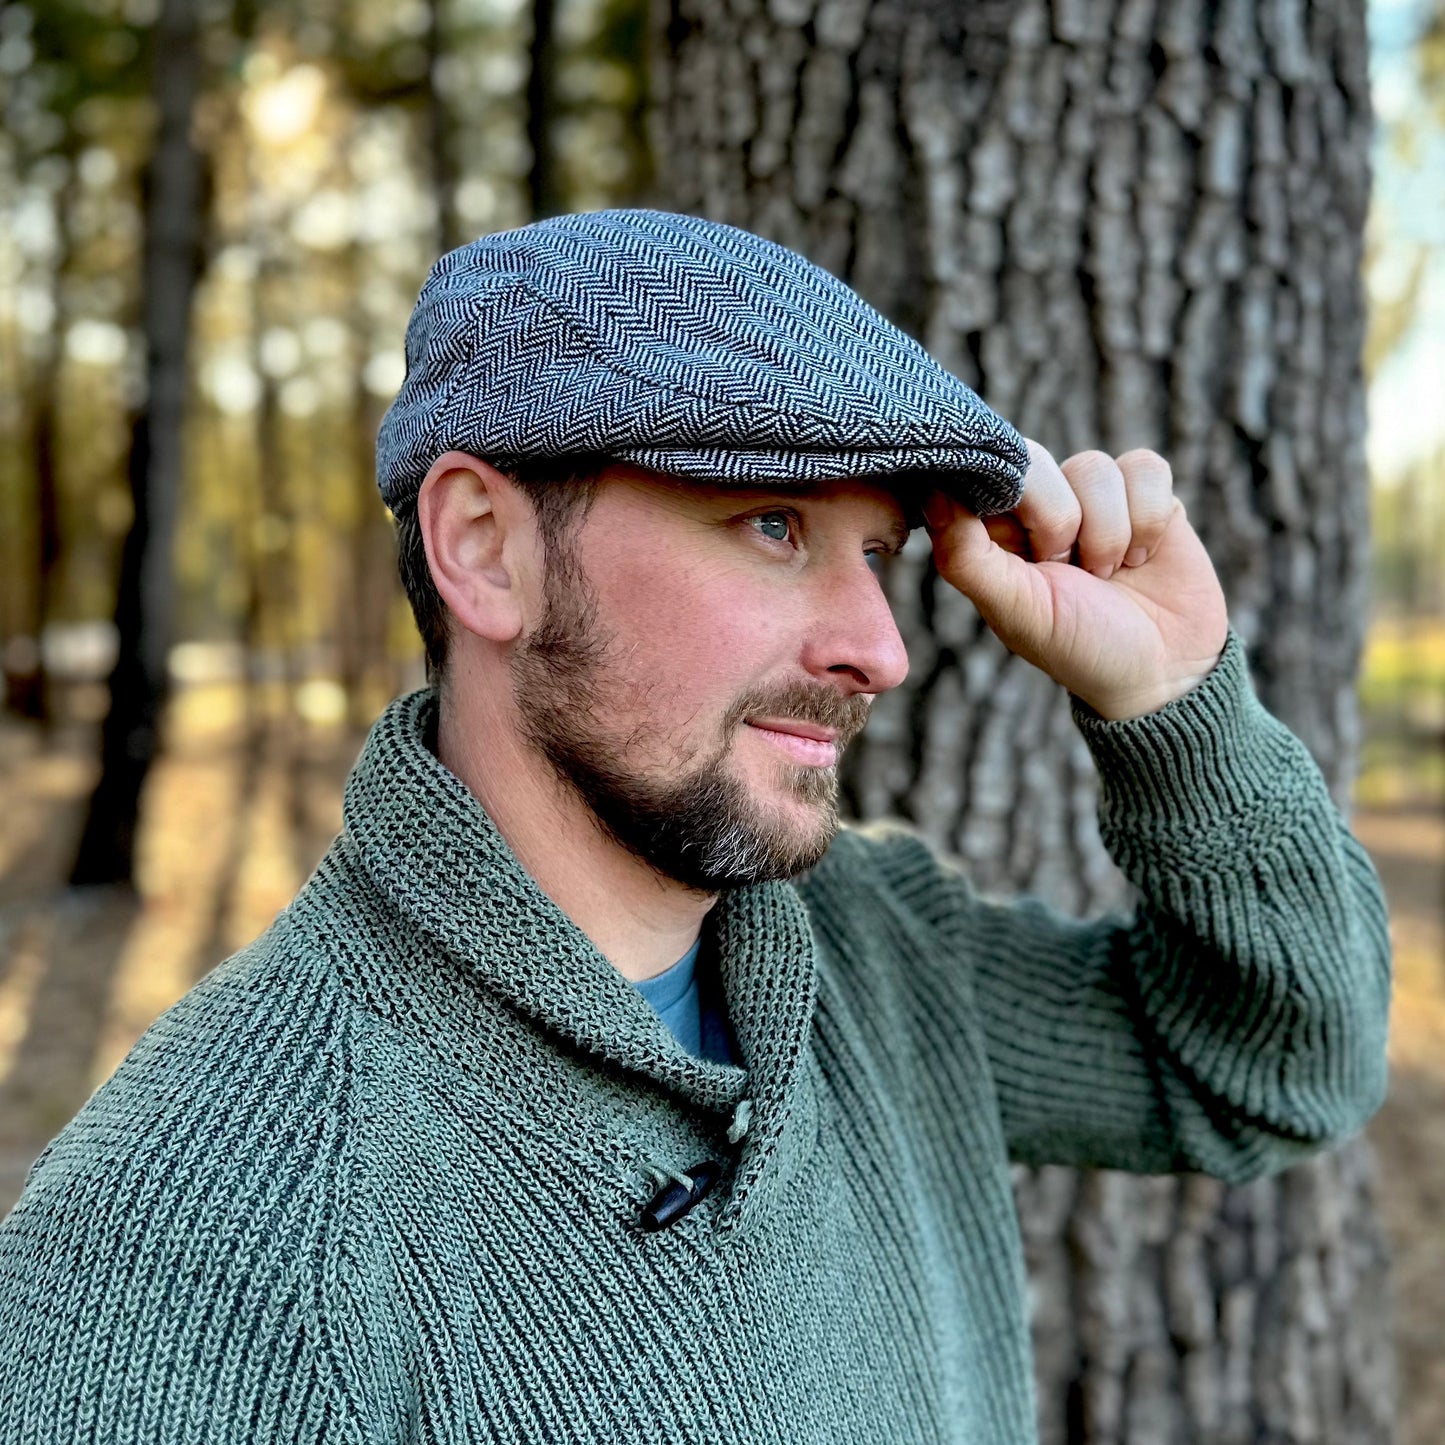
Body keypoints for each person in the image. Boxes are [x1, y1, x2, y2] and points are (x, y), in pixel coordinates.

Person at [0, 210, 1390, 1443]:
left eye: (875, 554)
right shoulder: (190, 1248)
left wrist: (1176, 706)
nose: (877, 649)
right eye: (771, 523)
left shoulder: (880, 946)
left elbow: (1275, 1067)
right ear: (484, 545)